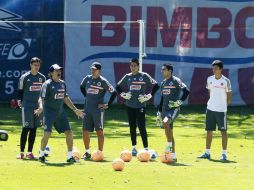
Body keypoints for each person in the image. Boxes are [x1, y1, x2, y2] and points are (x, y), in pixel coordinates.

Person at [38, 64, 84, 163]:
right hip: (49, 113)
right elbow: (41, 98)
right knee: (47, 133)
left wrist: (75, 110)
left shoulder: (62, 84)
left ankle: (70, 157)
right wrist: (41, 107)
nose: (59, 72)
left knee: (69, 132)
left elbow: (65, 98)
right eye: (56, 71)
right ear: (51, 73)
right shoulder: (47, 84)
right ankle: (41, 155)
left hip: (60, 113)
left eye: (60, 70)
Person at [116, 58, 159, 156]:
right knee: (132, 127)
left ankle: (146, 148)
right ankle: (134, 147)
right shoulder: (127, 76)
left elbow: (156, 85)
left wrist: (148, 96)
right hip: (130, 105)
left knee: (142, 127)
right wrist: (123, 94)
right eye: (131, 65)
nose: (133, 67)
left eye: (134, 65)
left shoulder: (144, 76)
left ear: (138, 66)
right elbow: (117, 86)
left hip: (140, 106)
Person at [80, 62, 117, 159]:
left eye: (95, 69)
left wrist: (107, 104)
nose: (93, 71)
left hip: (97, 111)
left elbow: (114, 92)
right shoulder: (87, 78)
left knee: (99, 131)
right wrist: (86, 97)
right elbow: (81, 87)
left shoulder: (103, 81)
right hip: (87, 109)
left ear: (99, 71)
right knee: (85, 130)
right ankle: (87, 153)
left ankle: (100, 153)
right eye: (92, 69)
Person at [198, 60, 232, 161]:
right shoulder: (209, 79)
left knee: (223, 132)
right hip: (210, 109)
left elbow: (229, 95)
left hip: (221, 111)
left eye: (216, 68)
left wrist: (224, 106)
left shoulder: (226, 81)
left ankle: (224, 154)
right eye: (213, 68)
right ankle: (207, 153)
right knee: (209, 131)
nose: (214, 70)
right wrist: (212, 103)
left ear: (221, 69)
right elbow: (210, 92)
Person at [158, 64, 189, 161]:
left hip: (173, 110)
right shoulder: (163, 83)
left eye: (164, 69)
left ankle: (168, 150)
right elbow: (162, 98)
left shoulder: (176, 80)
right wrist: (159, 112)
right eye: (161, 69)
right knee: (169, 131)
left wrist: (179, 102)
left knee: (166, 122)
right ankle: (173, 155)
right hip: (164, 110)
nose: (162, 71)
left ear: (170, 71)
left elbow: (186, 91)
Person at [17, 57, 46, 159]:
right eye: (35, 65)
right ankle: (21, 152)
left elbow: (43, 93)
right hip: (27, 106)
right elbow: (20, 90)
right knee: (26, 129)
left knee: (34, 129)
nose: (37, 67)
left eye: (38, 65)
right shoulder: (24, 77)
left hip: (38, 107)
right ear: (31, 65)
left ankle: (29, 153)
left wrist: (42, 105)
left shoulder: (42, 78)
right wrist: (19, 100)